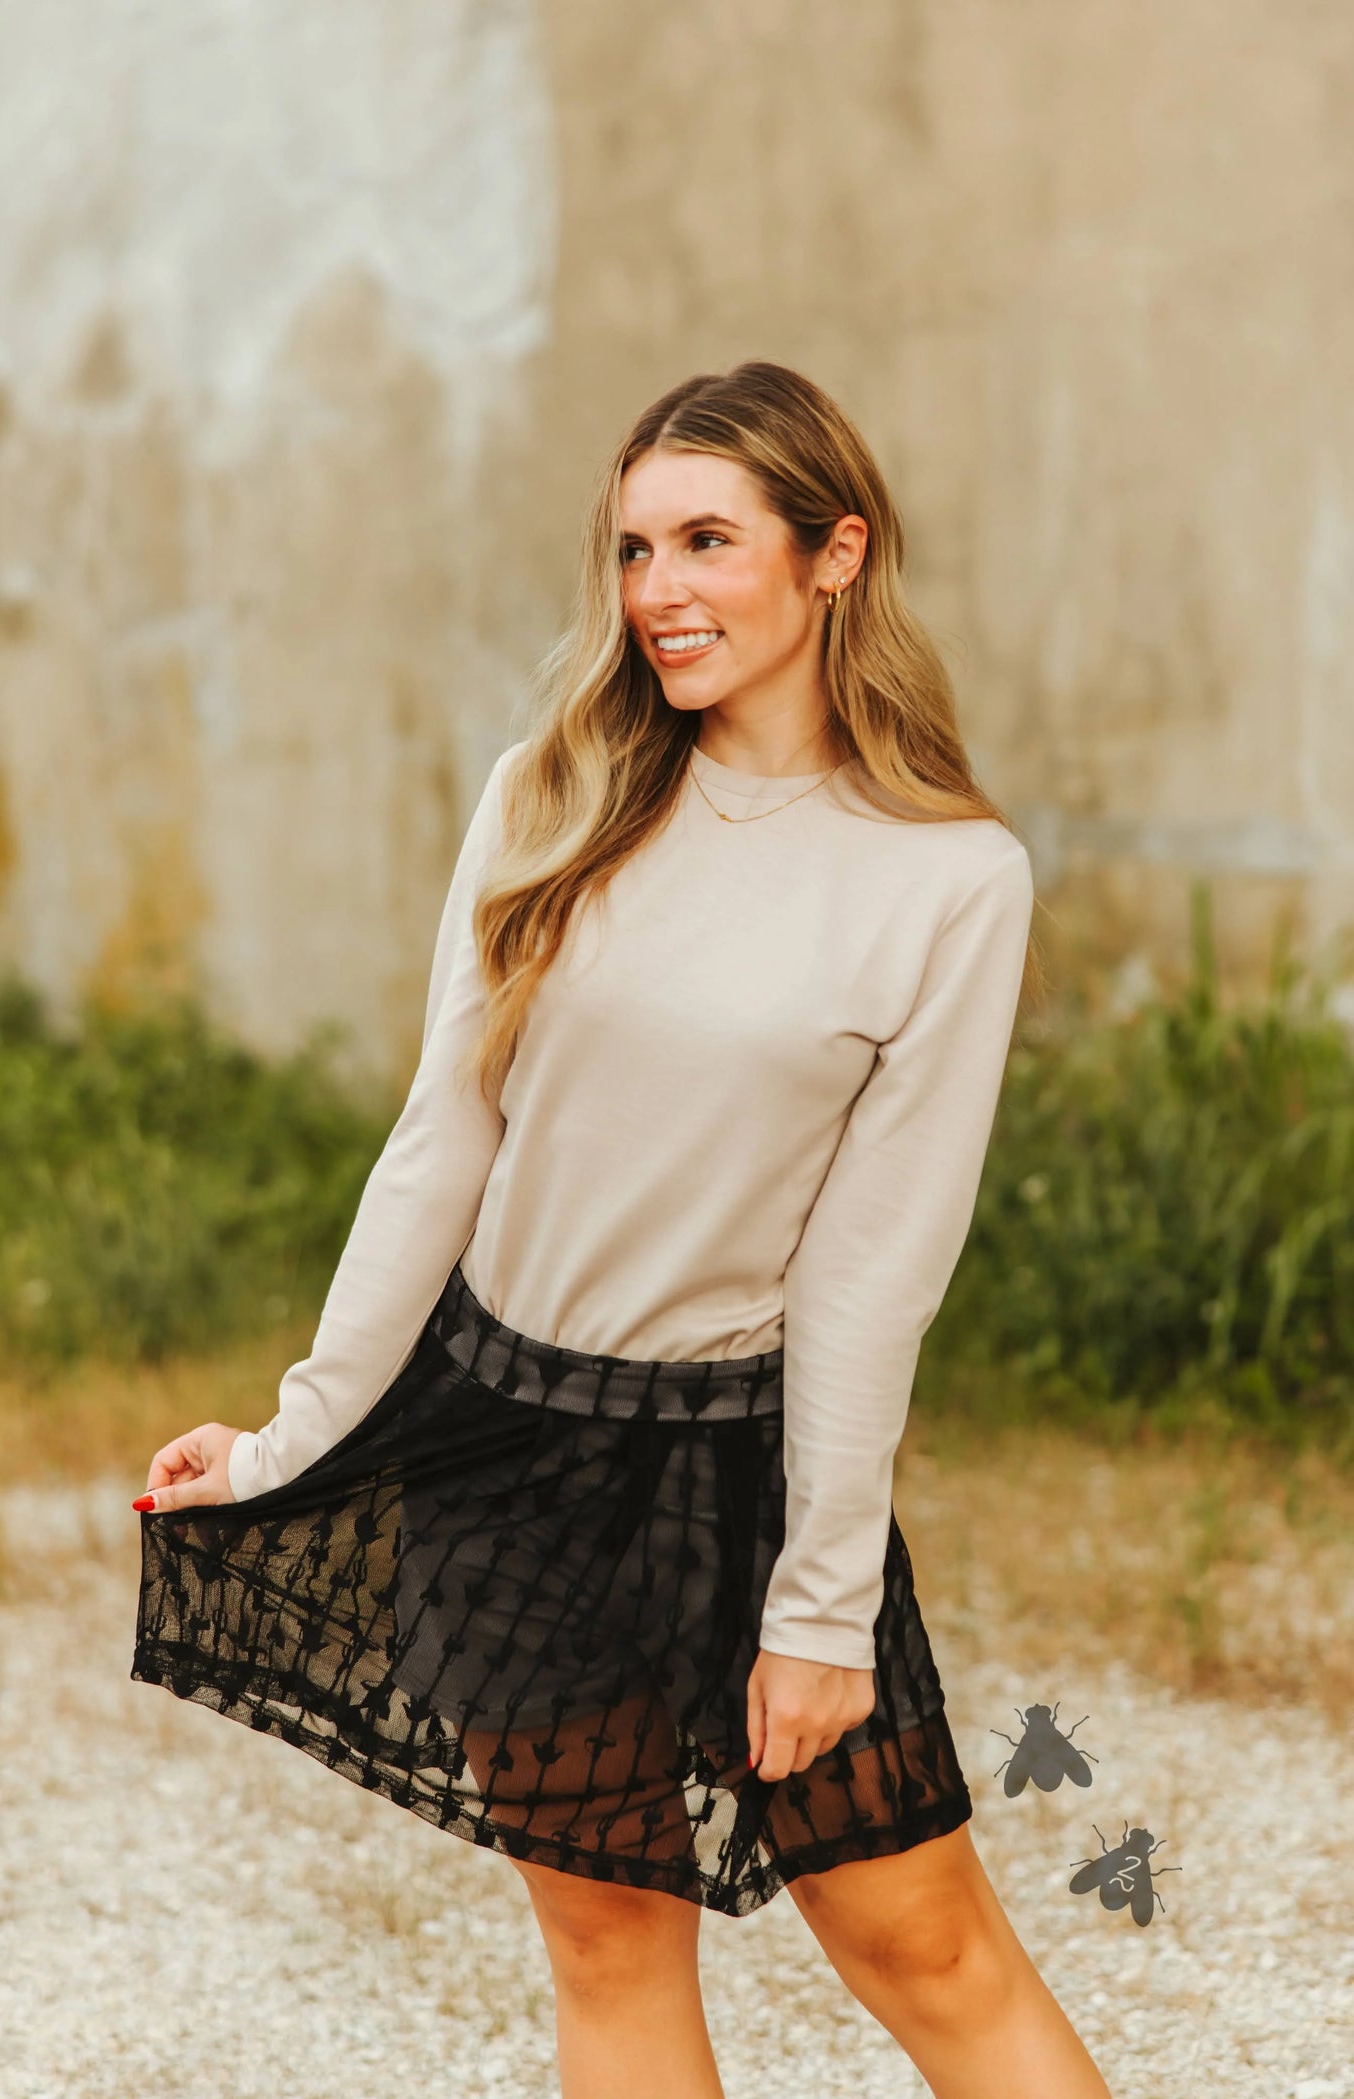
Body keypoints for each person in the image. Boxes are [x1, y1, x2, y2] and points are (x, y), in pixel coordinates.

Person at [131, 360, 1113, 2099]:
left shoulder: (949, 881)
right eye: (635, 549)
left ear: (834, 554)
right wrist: (294, 1436)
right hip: (497, 1453)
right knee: (607, 1946)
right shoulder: (553, 794)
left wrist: (822, 1610)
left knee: (927, 1949)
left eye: (708, 541)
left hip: (736, 1469)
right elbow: (442, 1141)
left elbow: (872, 1273)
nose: (658, 590)